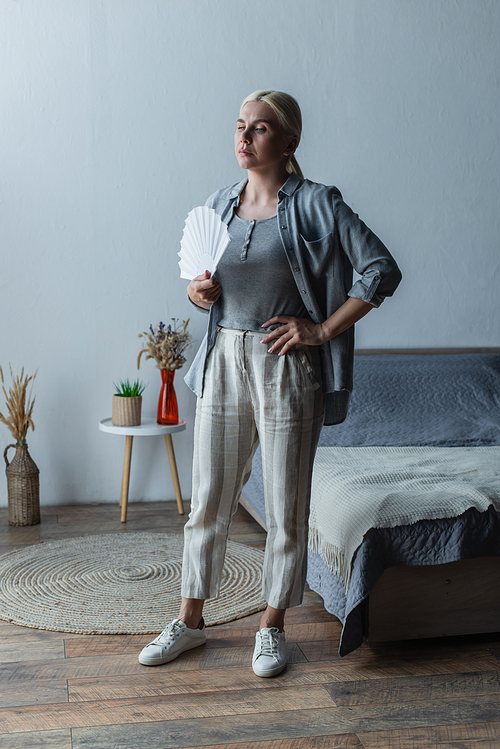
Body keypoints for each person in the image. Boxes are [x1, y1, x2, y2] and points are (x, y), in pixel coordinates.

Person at [139, 90, 402, 677]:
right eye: (240, 126)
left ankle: (271, 626)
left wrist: (321, 330)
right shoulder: (218, 204)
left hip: (285, 362)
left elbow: (381, 268)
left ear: (288, 143)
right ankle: (190, 620)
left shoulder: (316, 203)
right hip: (222, 359)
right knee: (208, 498)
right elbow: (201, 283)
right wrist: (195, 293)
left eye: (259, 129)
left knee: (287, 504)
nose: (245, 137)